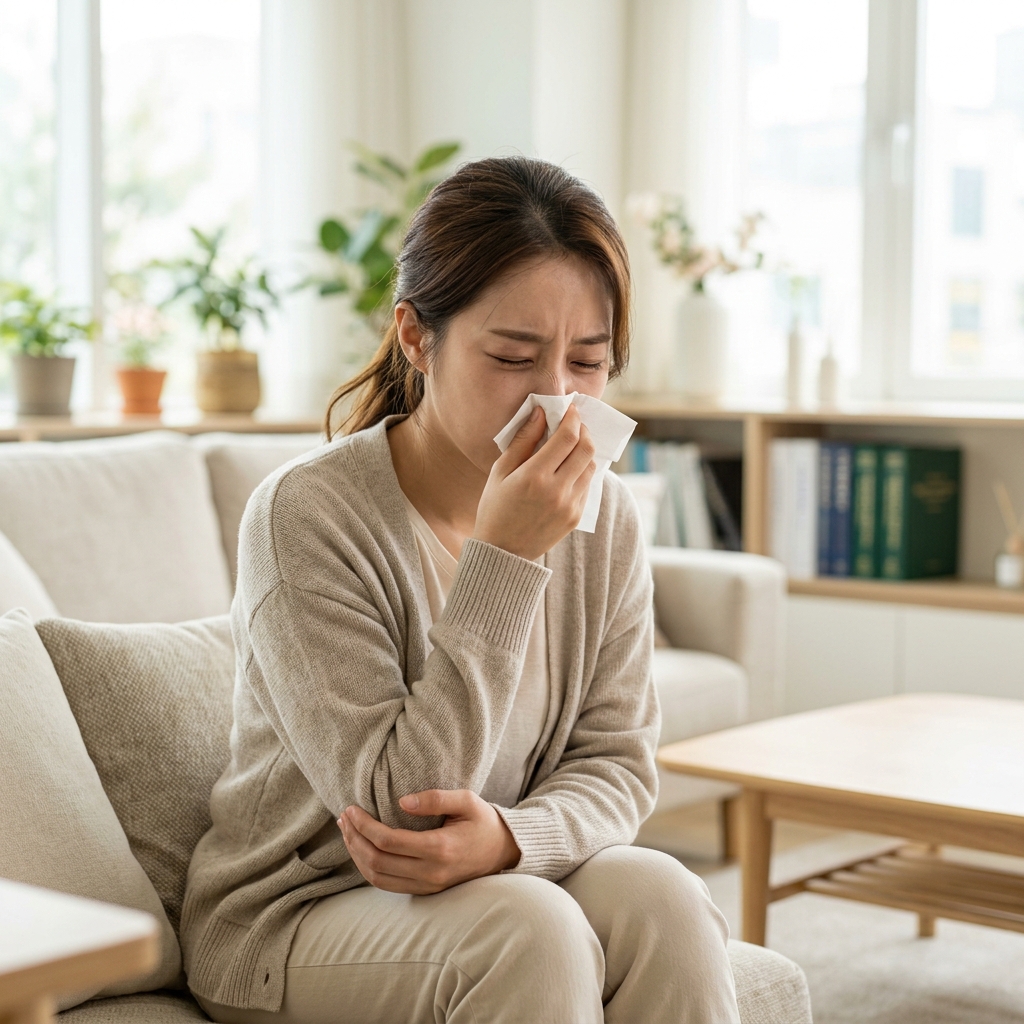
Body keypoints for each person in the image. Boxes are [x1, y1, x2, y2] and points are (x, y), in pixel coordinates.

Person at [182, 156, 740, 1023]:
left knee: (663, 895)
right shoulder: (306, 515)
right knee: (530, 930)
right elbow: (396, 814)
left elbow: (619, 765)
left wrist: (513, 841)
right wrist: (505, 559)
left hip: (500, 882)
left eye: (588, 363)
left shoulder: (609, 519)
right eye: (514, 356)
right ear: (416, 335)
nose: (556, 399)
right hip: (294, 919)